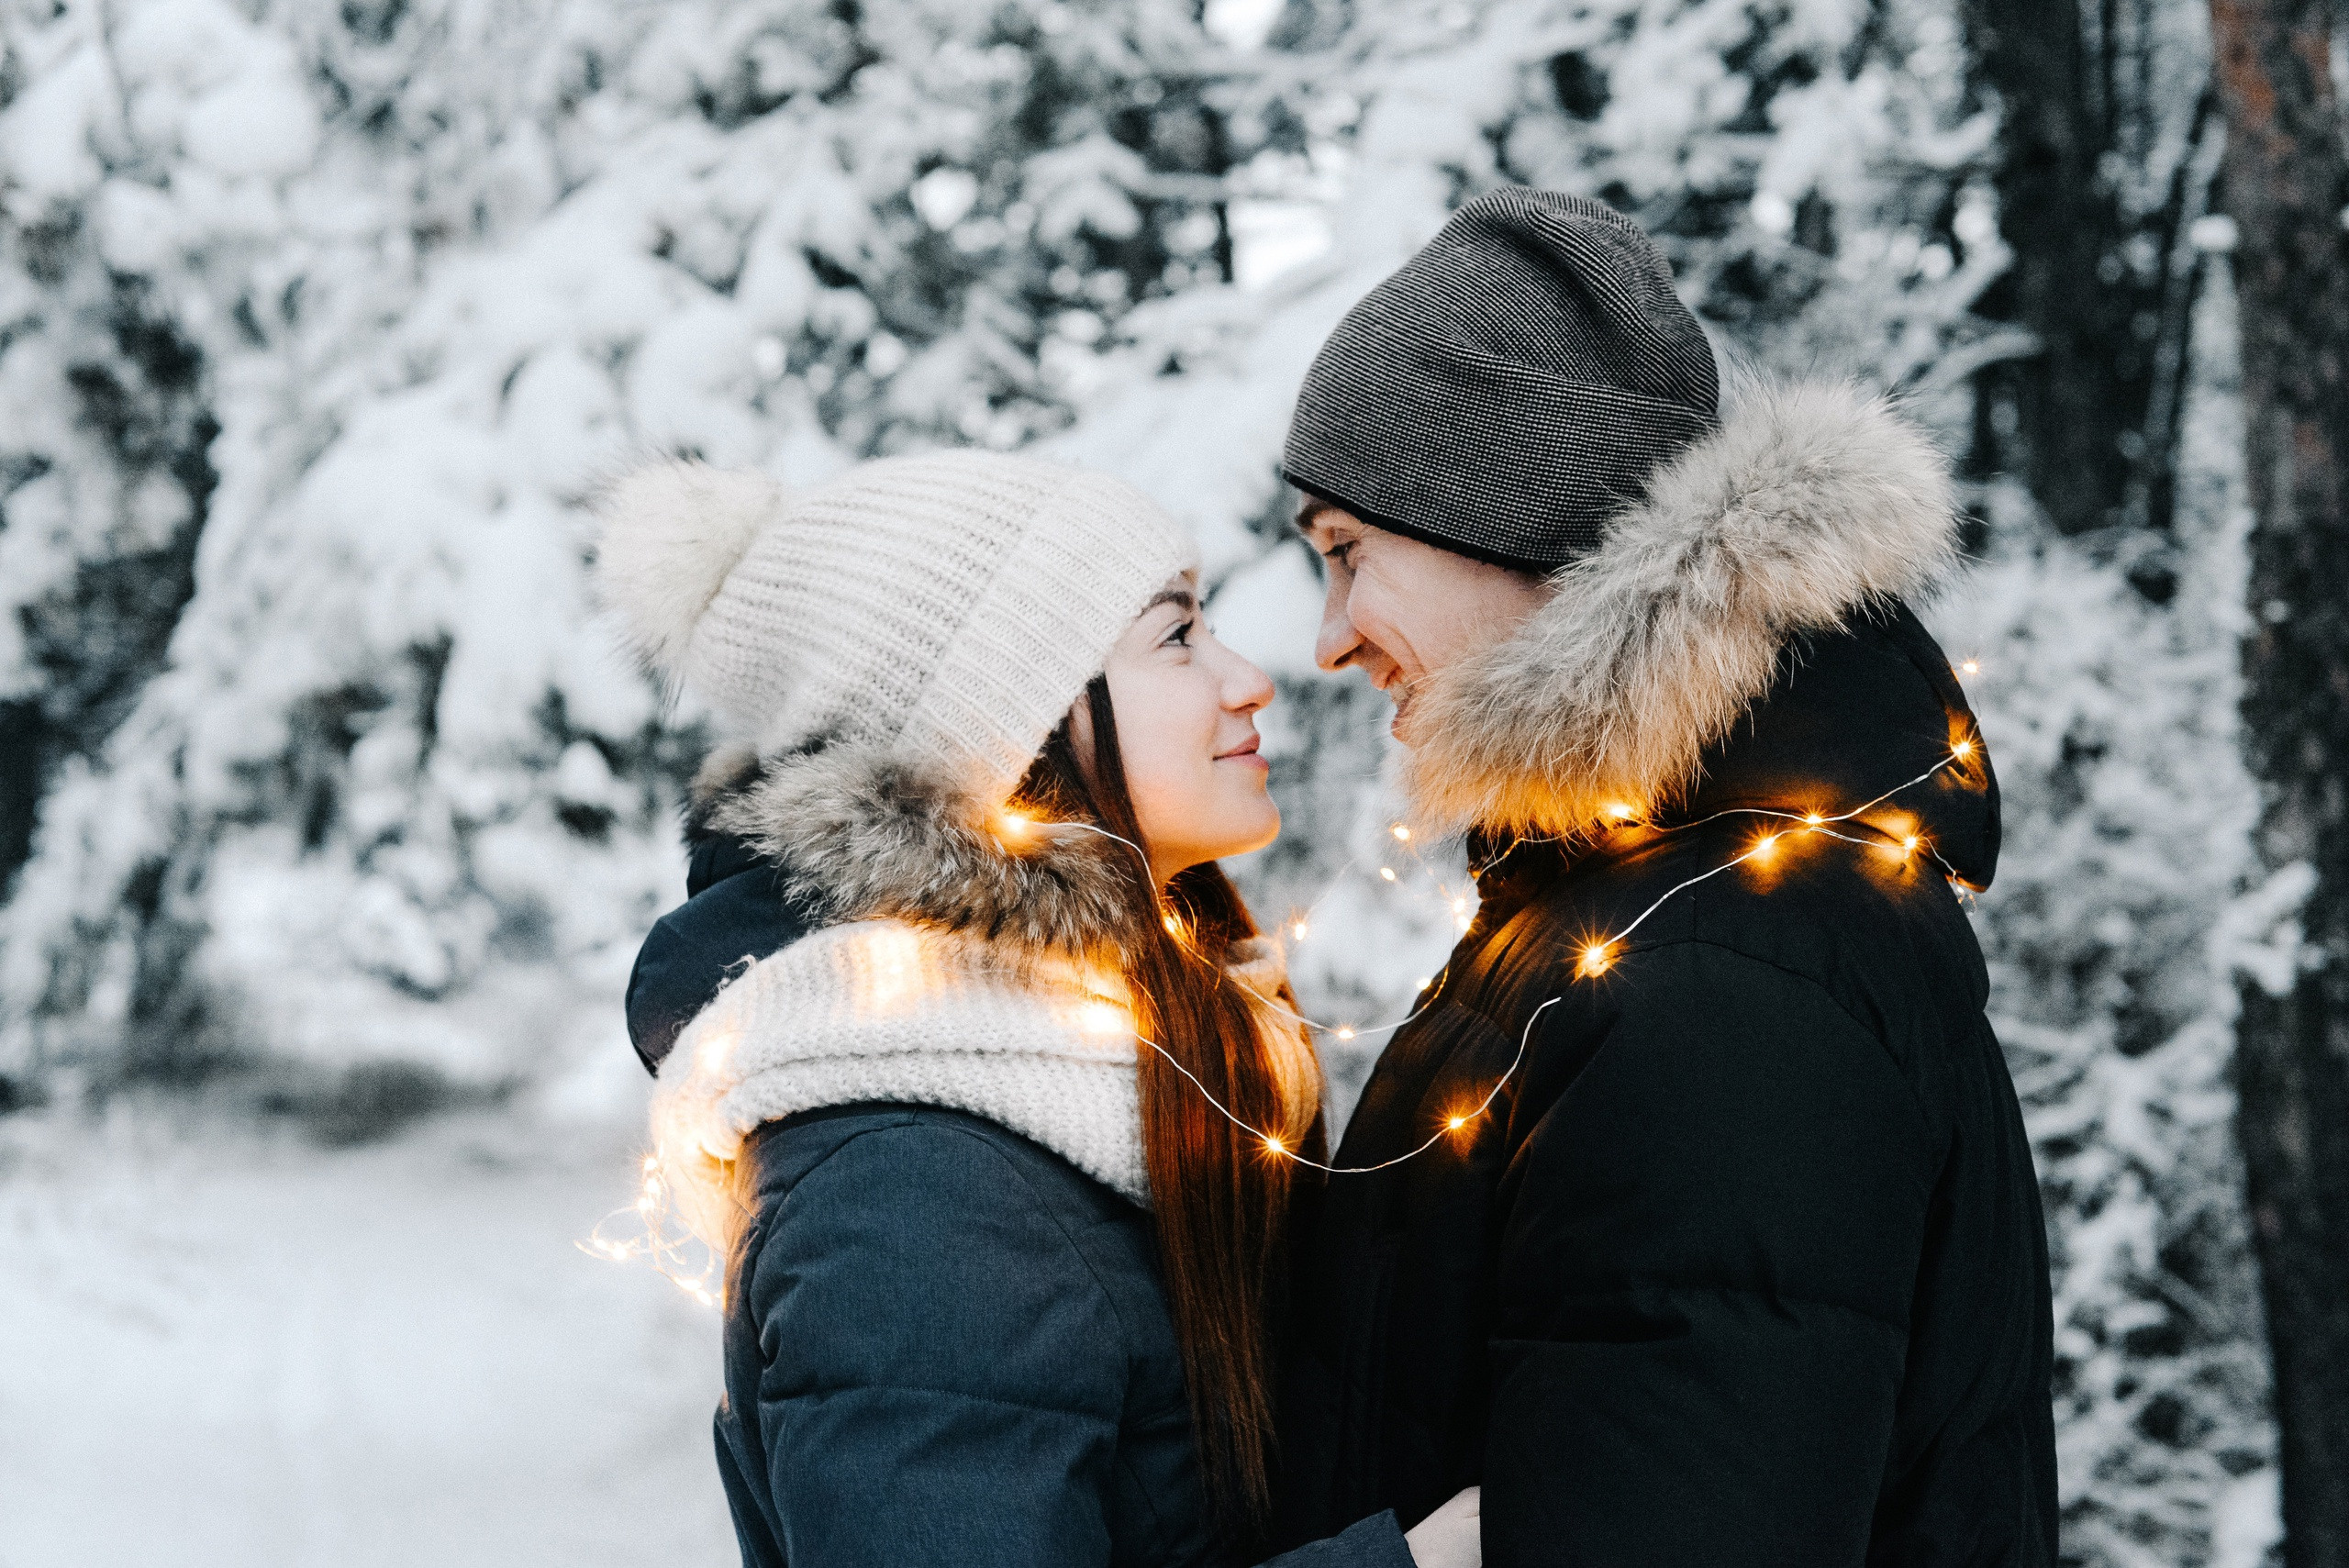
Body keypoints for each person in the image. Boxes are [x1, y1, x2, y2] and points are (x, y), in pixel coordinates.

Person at [1268, 188, 2059, 1565]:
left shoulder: (1724, 970)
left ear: (1503, 519)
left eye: (1349, 555)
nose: (1332, 638)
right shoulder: (1640, 906)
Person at [596, 451, 1480, 1568]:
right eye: (1176, 636)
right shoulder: (911, 1191)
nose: (1247, 676)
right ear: (1003, 721)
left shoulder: (1133, 1066)